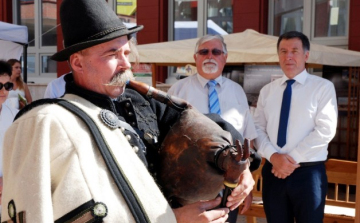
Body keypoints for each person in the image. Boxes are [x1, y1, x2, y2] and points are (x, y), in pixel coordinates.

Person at [1, 0, 252, 222]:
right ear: (77, 62)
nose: (126, 64)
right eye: (113, 54)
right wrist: (172, 220)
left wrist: (242, 166)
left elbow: (207, 123)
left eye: (126, 53)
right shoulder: (52, 122)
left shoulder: (141, 100)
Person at [167, 34, 257, 223]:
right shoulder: (177, 91)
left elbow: (247, 140)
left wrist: (246, 184)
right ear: (195, 58)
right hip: (189, 186)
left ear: (225, 57)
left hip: (229, 185)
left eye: (216, 52)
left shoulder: (237, 92)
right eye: (204, 51)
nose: (210, 56)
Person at [253, 31, 338, 223]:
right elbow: (257, 128)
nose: (288, 56)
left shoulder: (322, 88)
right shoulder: (267, 91)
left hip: (307, 174)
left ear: (306, 55)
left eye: (294, 51)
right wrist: (275, 158)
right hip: (273, 172)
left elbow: (325, 130)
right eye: (283, 51)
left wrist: (289, 161)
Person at [0, 60, 18, 212]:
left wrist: (7, 181)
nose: (3, 91)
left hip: (7, 190)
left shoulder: (15, 116)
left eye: (7, 86)